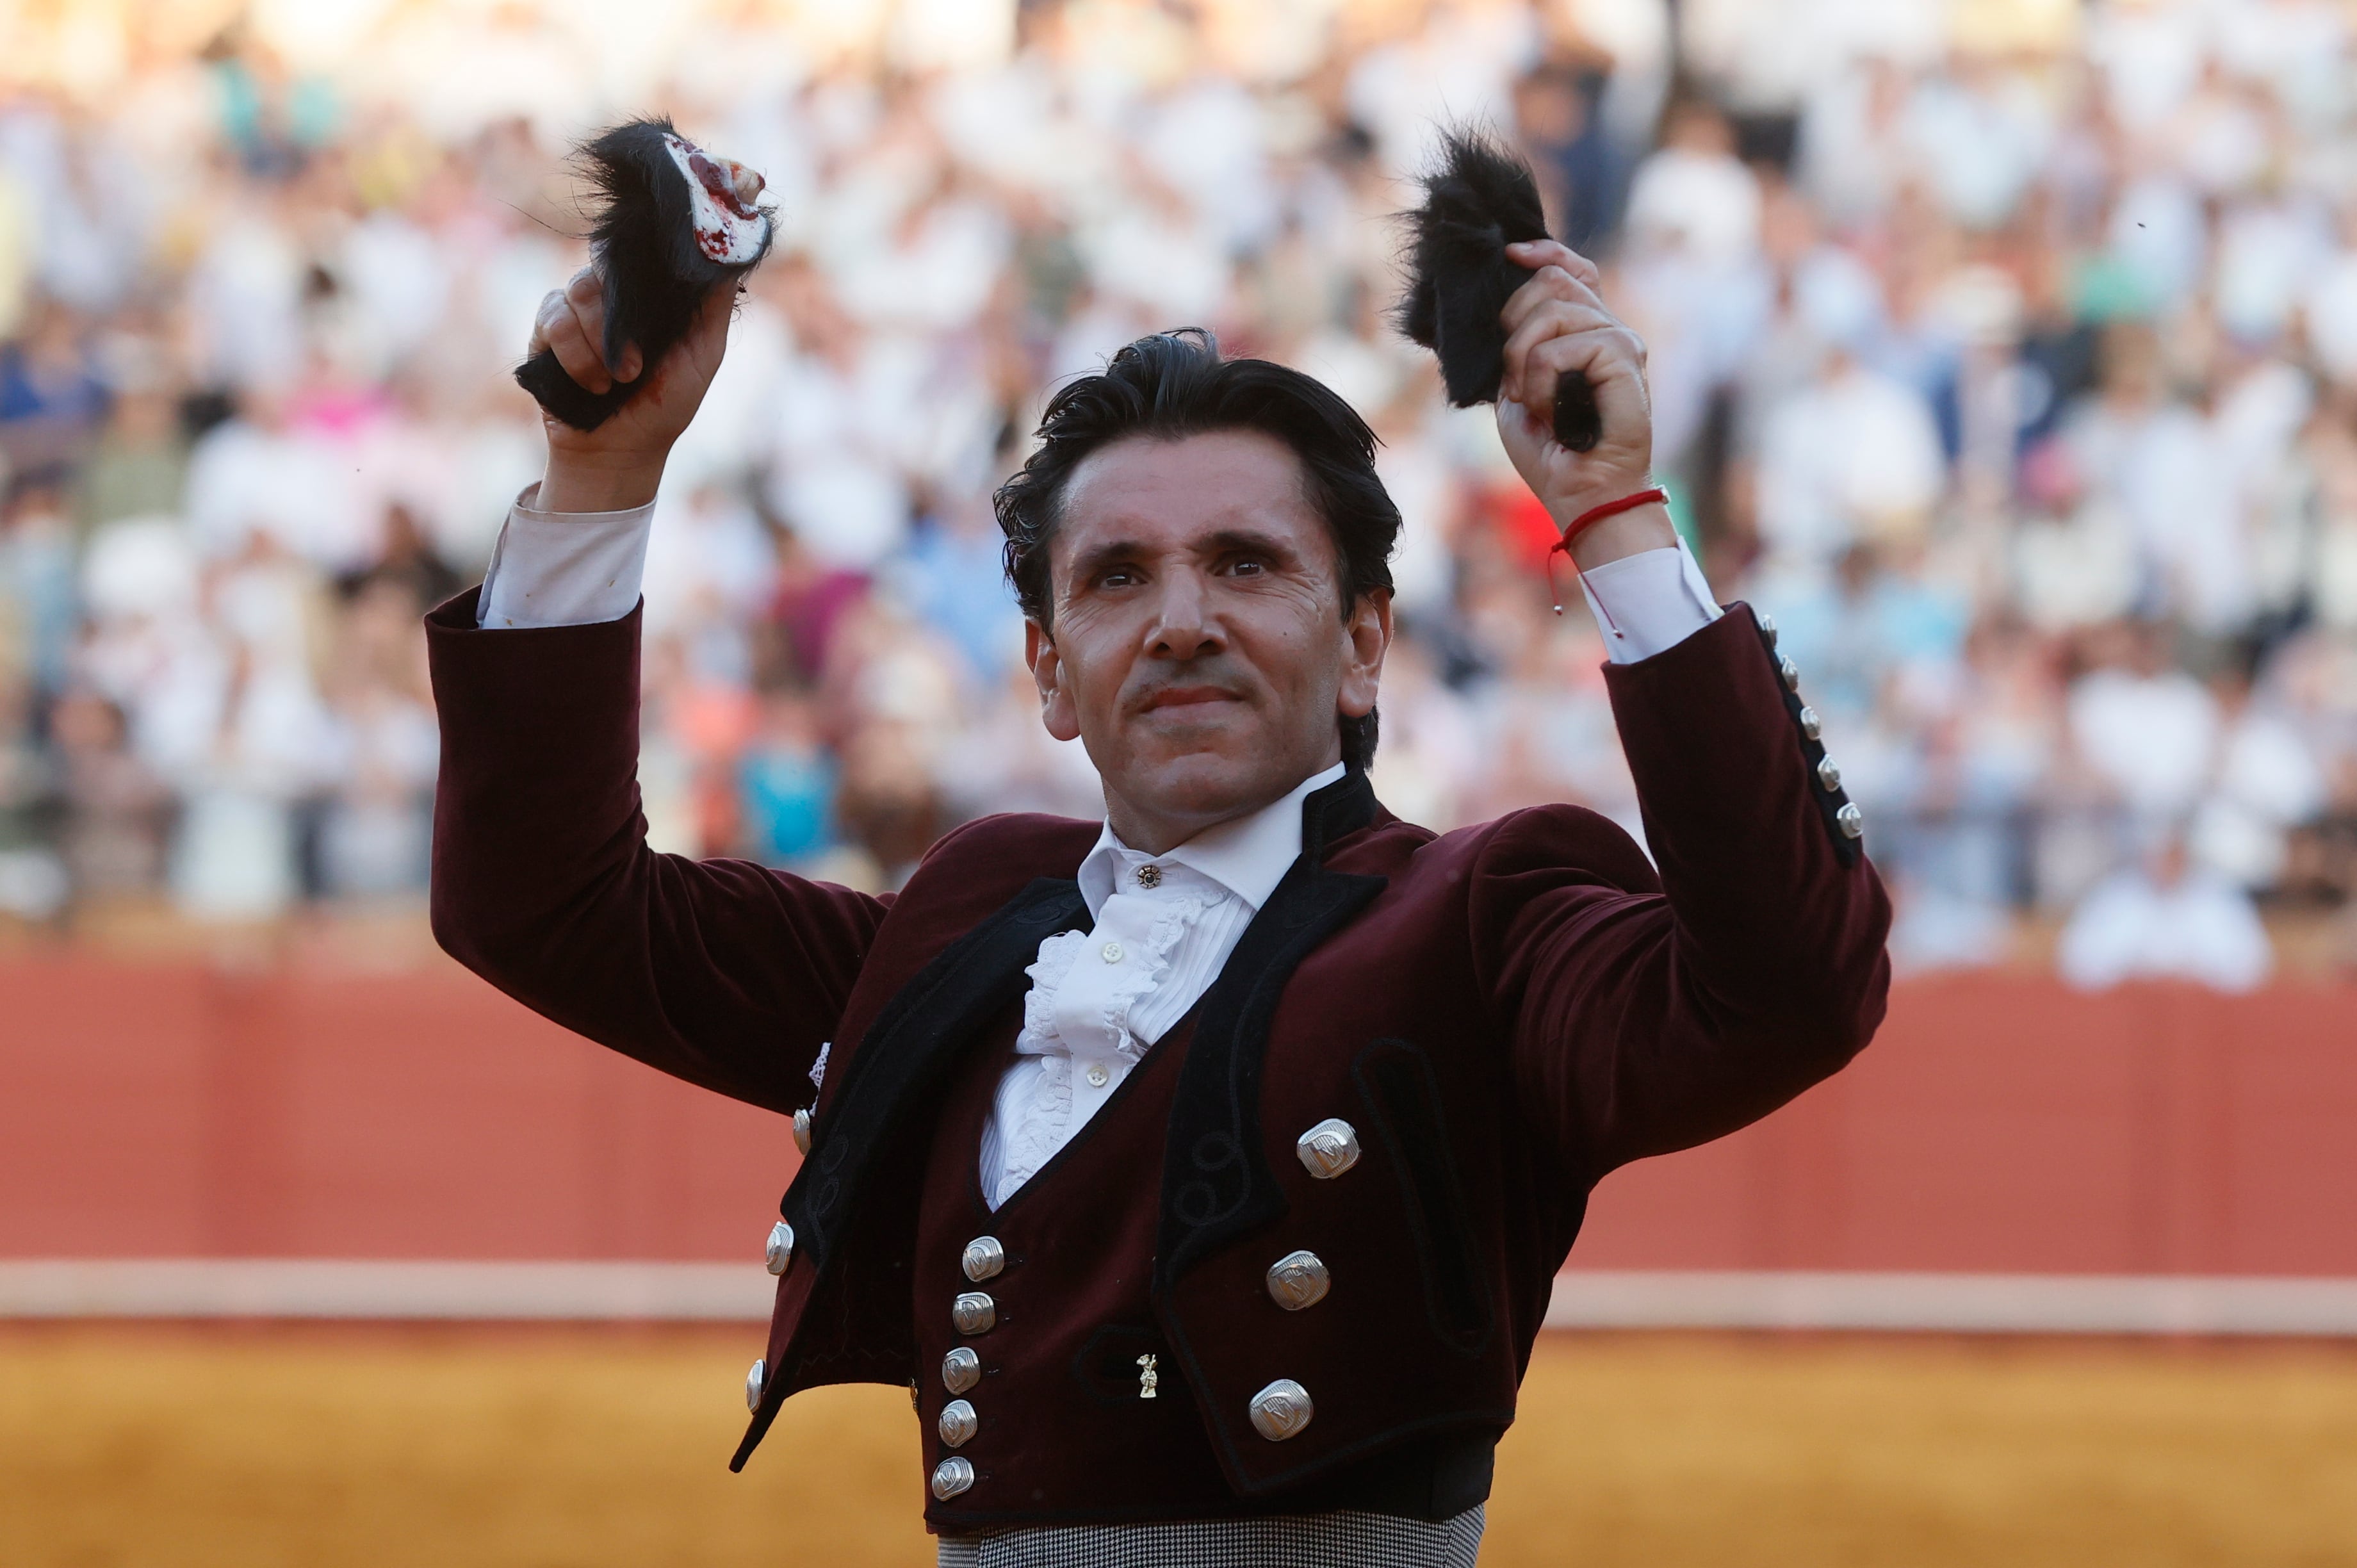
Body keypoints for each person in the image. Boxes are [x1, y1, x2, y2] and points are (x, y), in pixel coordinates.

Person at [425, 242, 1891, 1565]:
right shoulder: (966, 927)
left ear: (1366, 641)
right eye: (1117, 578)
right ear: (1052, 673)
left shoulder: (1481, 915)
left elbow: (1788, 986)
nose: (1183, 620)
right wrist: (597, 479)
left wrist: (1616, 516)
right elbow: (545, 905)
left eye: (1245, 564)